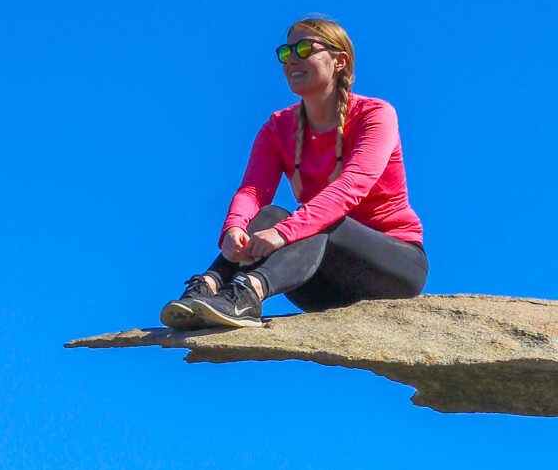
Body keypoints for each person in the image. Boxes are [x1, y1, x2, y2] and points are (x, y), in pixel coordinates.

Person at [160, 16, 428, 330]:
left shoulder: (375, 115)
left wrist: (285, 233)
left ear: (339, 60)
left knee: (323, 222)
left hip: (393, 270)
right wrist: (234, 228)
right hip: (318, 283)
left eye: (304, 49)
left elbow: (352, 185)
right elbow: (253, 192)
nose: (292, 60)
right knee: (269, 213)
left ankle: (248, 294)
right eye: (286, 53)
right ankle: (210, 286)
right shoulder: (278, 127)